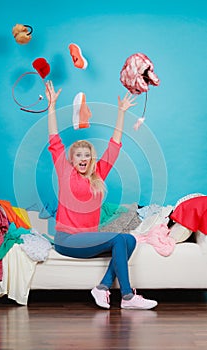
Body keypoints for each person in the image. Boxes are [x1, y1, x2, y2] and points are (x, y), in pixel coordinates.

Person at [45, 80, 158, 310]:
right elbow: (54, 140)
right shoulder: (65, 173)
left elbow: (114, 145)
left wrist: (121, 113)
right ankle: (127, 297)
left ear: (91, 158)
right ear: (72, 160)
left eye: (87, 154)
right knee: (118, 238)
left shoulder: (98, 175)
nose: (83, 158)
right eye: (78, 155)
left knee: (130, 239)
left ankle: (102, 287)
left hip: (87, 238)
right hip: (67, 240)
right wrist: (51, 107)